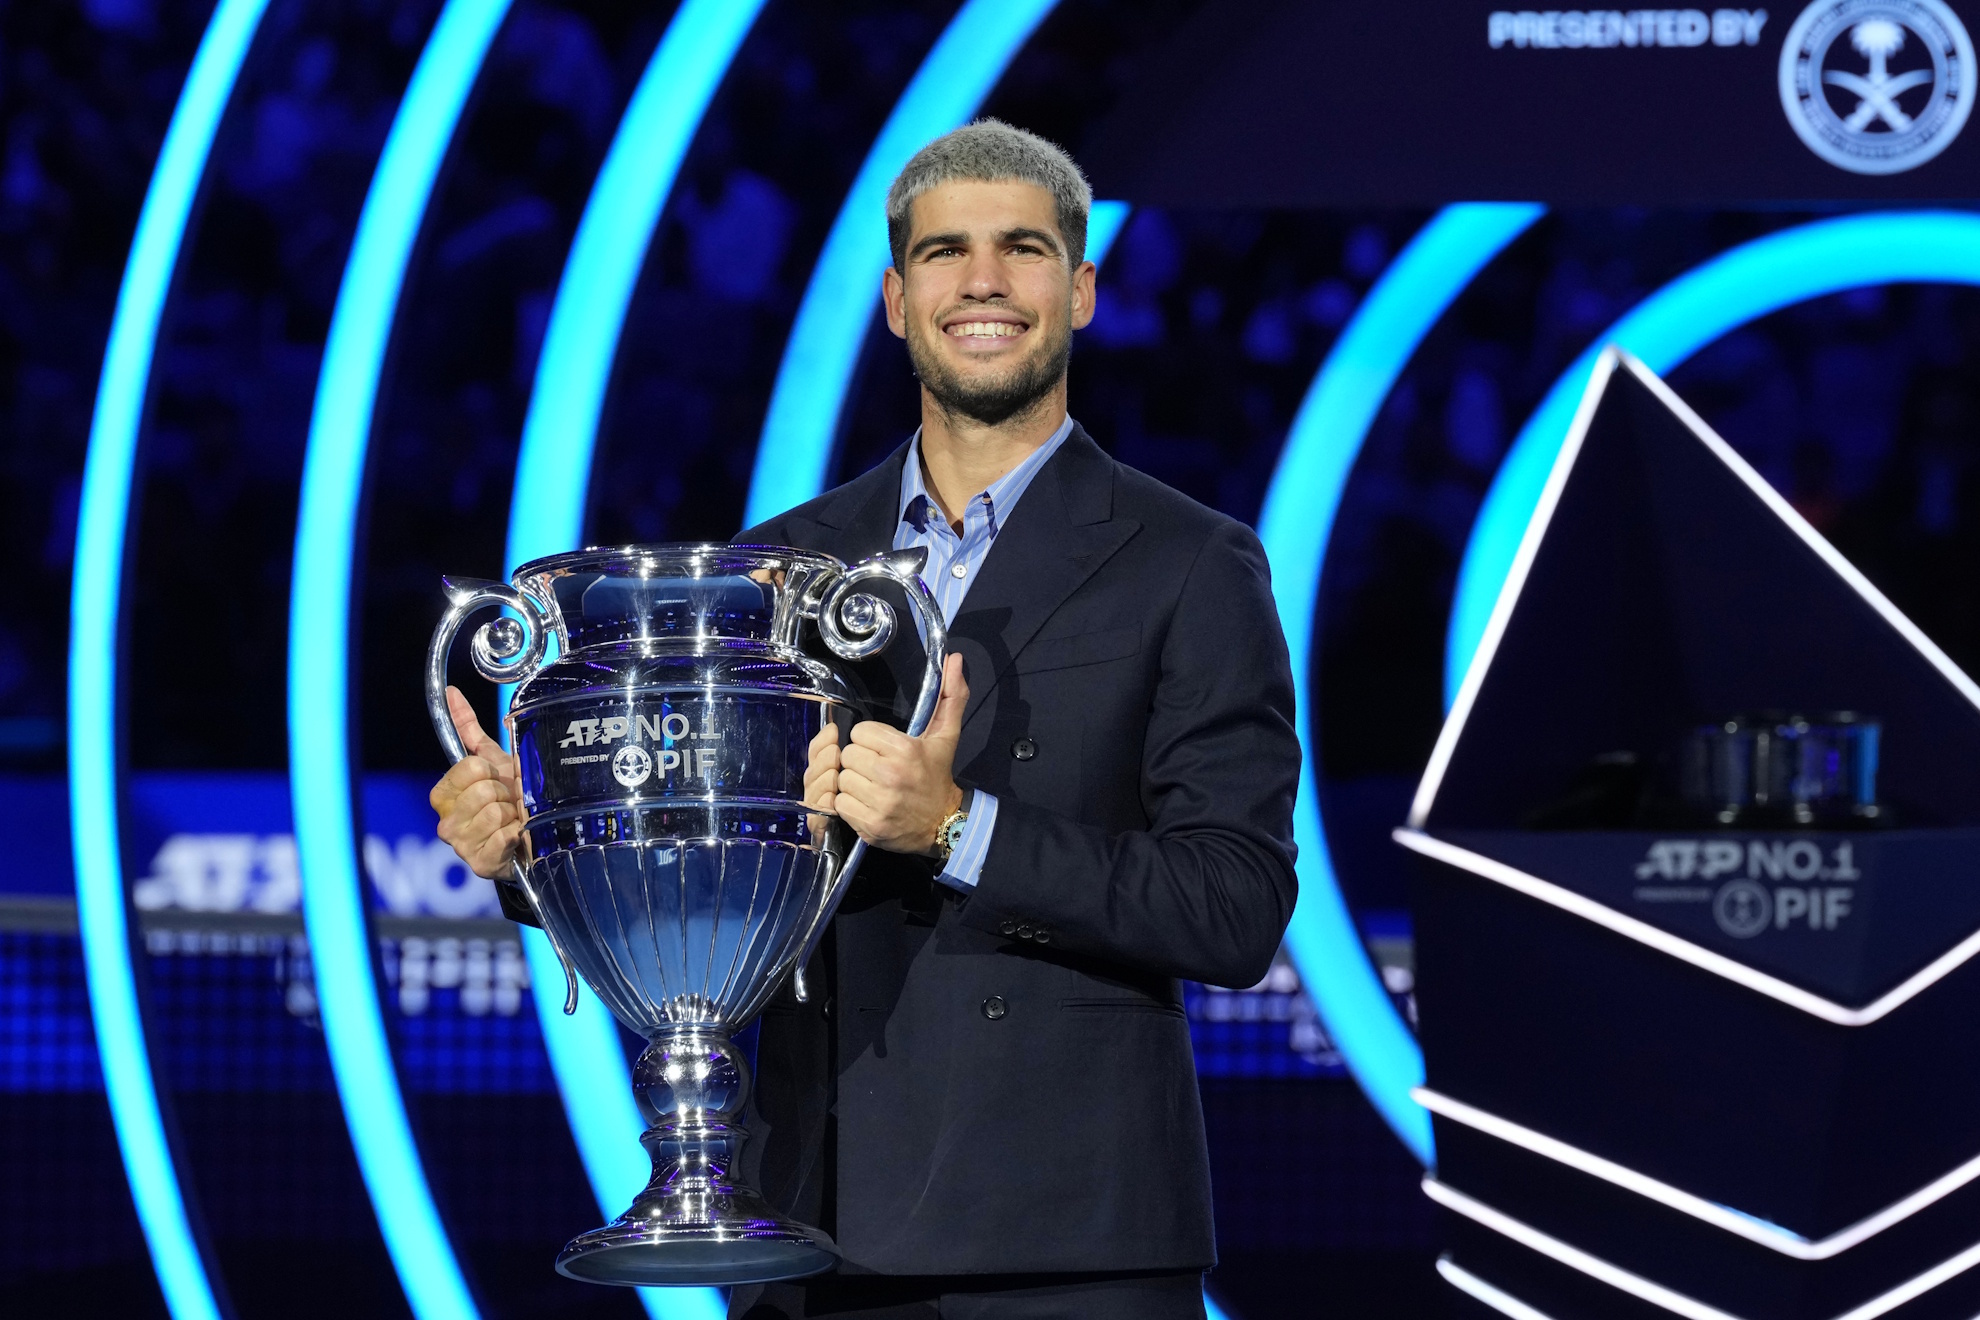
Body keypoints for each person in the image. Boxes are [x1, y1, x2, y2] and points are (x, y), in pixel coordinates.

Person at [431, 119, 1299, 1320]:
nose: (983, 282)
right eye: (945, 254)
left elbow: (1234, 906)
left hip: (1068, 1245)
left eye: (1023, 250)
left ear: (1083, 290)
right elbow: (706, 866)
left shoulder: (1191, 562)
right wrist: (530, 851)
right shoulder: (771, 565)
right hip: (805, 1229)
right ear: (897, 300)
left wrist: (955, 827)